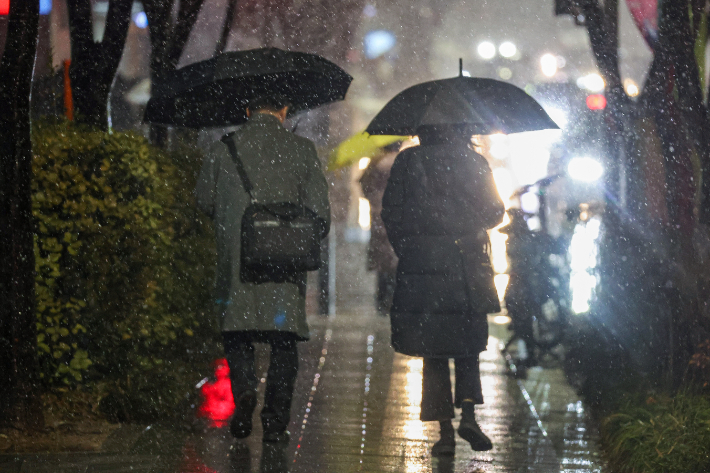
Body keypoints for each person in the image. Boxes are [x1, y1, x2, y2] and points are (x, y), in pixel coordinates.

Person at [195, 95, 330, 443]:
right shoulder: (302, 149)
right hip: (284, 263)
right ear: (285, 110)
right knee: (284, 343)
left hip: (237, 260)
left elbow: (204, 202)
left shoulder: (224, 149)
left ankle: (244, 397)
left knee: (238, 334)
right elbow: (320, 214)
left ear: (246, 110)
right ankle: (275, 422)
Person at [381, 126, 504, 456]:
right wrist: (466, 218)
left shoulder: (408, 162)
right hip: (466, 267)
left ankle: (445, 434)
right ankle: (468, 414)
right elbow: (495, 211)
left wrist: (409, 249)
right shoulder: (474, 162)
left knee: (433, 351)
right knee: (467, 346)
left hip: (424, 269)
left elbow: (391, 213)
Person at [359, 145, 399, 314]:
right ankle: (391, 298)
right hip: (397, 216)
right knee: (395, 259)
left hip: (378, 217)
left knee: (383, 261)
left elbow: (364, 185)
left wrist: (376, 200)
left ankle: (382, 299)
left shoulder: (374, 163)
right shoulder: (401, 162)